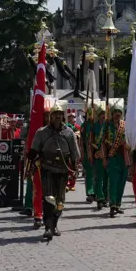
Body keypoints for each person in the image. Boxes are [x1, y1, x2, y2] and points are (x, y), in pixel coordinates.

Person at [26, 103, 80, 240]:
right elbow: (33, 152)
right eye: (55, 115)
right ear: (50, 117)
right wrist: (30, 165)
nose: (57, 117)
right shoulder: (42, 132)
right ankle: (48, 227)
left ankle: (55, 224)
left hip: (63, 169)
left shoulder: (69, 132)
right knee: (49, 199)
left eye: (60, 115)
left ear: (63, 116)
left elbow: (75, 154)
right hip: (47, 168)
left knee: (60, 201)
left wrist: (75, 169)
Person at [102, 101, 128, 218]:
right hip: (112, 157)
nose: (117, 114)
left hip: (124, 157)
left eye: (119, 112)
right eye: (115, 112)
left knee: (122, 182)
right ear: (112, 114)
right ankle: (112, 205)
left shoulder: (125, 125)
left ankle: (118, 204)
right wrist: (104, 158)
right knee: (113, 182)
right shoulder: (107, 126)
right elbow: (102, 143)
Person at [91, 102, 109, 210]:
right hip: (98, 154)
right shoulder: (94, 126)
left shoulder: (108, 125)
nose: (103, 115)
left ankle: (105, 197)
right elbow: (90, 141)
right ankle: (99, 198)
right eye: (101, 113)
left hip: (108, 154)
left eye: (104, 113)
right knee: (99, 177)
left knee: (107, 178)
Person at [80, 104, 96, 203]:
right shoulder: (84, 125)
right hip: (87, 152)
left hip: (98, 151)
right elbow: (81, 140)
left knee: (98, 174)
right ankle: (90, 193)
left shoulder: (99, 124)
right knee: (89, 174)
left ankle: (98, 193)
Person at [65, 112, 79, 191]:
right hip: (67, 149)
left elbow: (79, 136)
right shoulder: (65, 127)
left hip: (75, 149)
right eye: (70, 117)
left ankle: (72, 184)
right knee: (67, 166)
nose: (71, 118)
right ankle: (67, 183)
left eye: (72, 117)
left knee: (75, 167)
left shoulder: (77, 127)